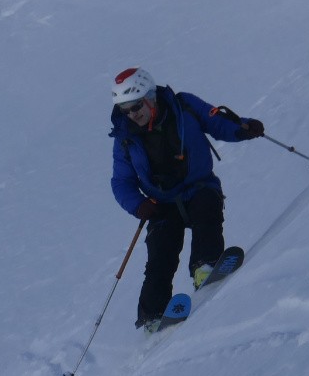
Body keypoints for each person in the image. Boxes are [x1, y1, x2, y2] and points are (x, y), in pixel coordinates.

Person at [109, 67, 263, 328]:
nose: (132, 114)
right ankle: (152, 316)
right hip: (161, 203)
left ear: (150, 97)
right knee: (160, 254)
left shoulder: (184, 106)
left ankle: (205, 266)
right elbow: (121, 181)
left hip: (198, 186)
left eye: (135, 106)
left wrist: (242, 129)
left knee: (207, 211)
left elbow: (216, 121)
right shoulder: (125, 137)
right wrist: (139, 205)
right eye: (125, 110)